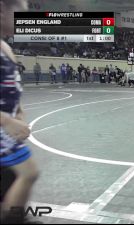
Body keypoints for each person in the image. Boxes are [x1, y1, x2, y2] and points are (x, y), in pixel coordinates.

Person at [0, 0, 40, 223]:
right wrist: (7, 121)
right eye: (19, 13)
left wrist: (20, 112)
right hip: (2, 127)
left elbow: (12, 84)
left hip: (5, 128)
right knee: (28, 172)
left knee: (8, 180)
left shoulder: (5, 48)